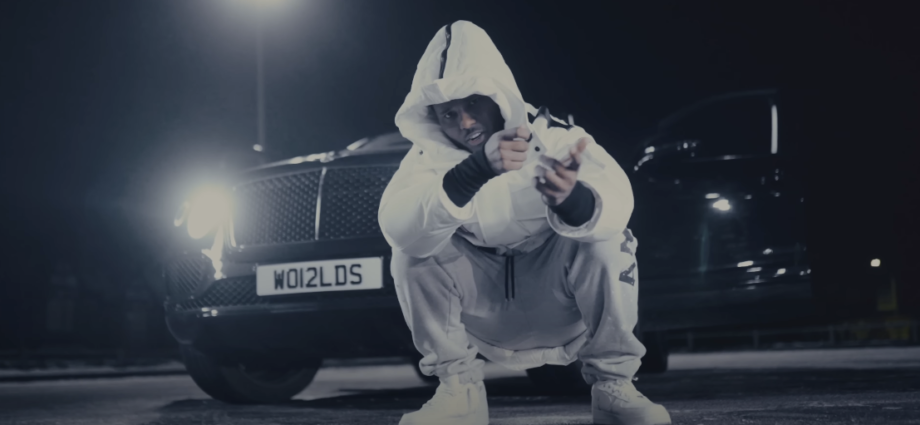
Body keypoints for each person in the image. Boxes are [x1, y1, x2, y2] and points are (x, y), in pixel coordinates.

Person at [379, 20, 671, 425]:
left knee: (610, 237)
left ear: (497, 95)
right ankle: (458, 393)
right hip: (483, 314)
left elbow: (619, 201)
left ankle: (613, 388)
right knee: (410, 250)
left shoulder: (554, 137)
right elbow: (397, 227)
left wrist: (572, 200)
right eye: (449, 113)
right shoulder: (425, 160)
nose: (464, 123)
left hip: (560, 304)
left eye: (472, 103)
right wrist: (473, 172)